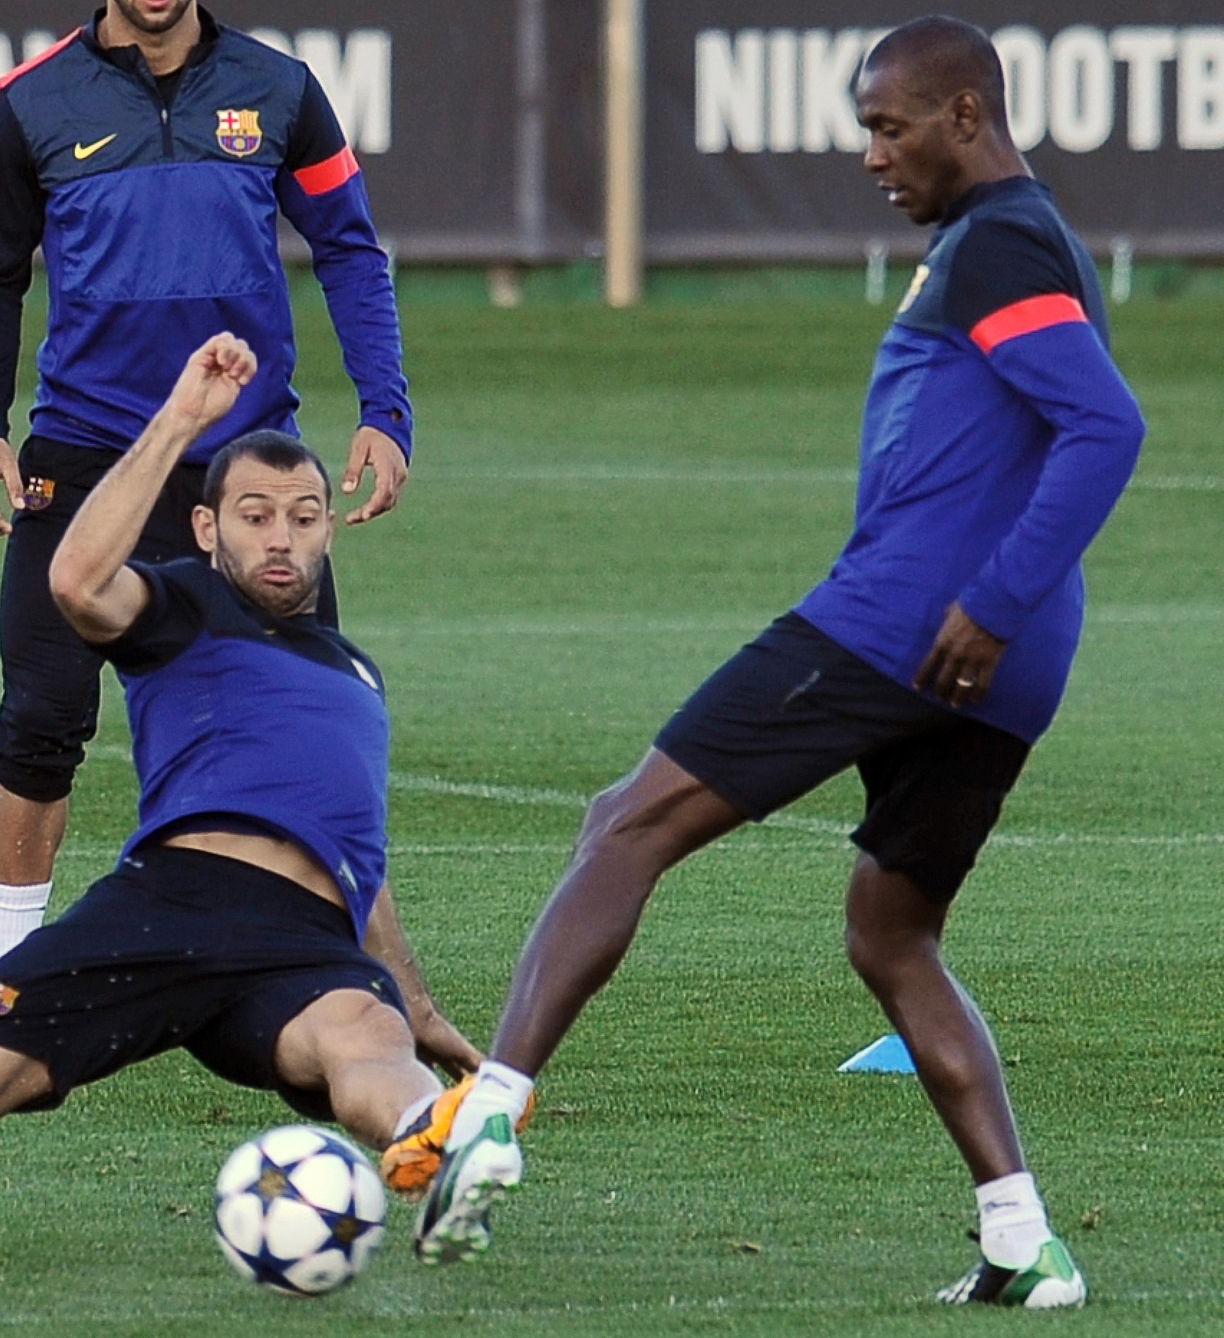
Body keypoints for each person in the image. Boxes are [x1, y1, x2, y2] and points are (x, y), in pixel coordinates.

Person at [415, 17, 1145, 1309]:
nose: (872, 154)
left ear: (966, 113)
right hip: (1009, 659)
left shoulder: (1007, 241)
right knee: (892, 932)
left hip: (909, 625)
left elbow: (1106, 423)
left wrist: (985, 599)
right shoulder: (1005, 245)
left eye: (889, 125)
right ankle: (1025, 1238)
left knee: (626, 821)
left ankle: (488, 1113)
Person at [0, 334, 471, 1265]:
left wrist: (415, 1003)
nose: (282, 538)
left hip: (298, 940)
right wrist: (181, 416)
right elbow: (75, 580)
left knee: (368, 1043)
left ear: (328, 533)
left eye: (304, 518)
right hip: (160, 910)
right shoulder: (186, 605)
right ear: (209, 530)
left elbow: (356, 856)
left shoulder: (357, 676)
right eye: (255, 516)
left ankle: (447, 1132)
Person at [0, 1, 413, 964]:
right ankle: (10, 976)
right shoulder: (29, 102)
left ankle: (320, 967)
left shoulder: (282, 89)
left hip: (250, 469)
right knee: (39, 719)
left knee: (300, 722)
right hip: (83, 462)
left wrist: (383, 408)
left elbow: (350, 248)